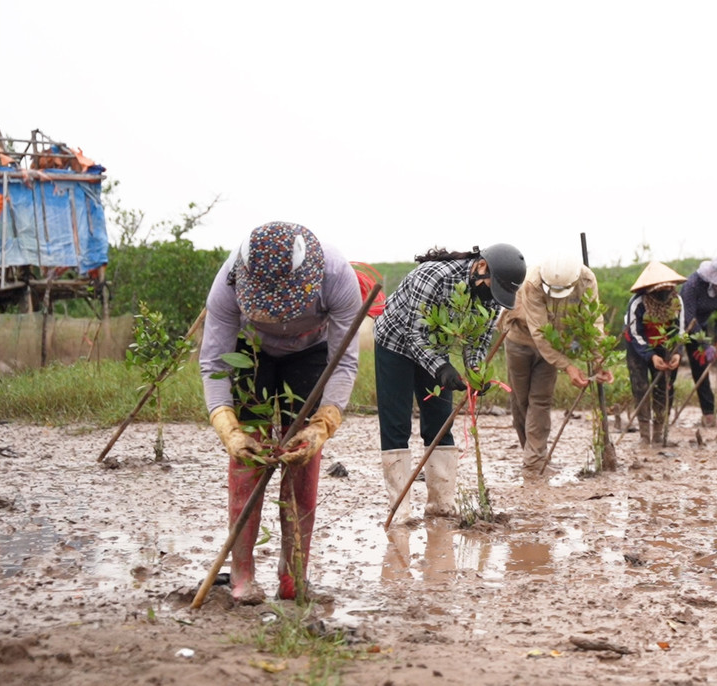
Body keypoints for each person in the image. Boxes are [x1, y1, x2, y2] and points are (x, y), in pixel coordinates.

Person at [200, 221, 362, 603]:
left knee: (302, 459)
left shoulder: (337, 276)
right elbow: (213, 365)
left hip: (311, 353)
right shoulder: (228, 283)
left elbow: (344, 362)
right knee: (247, 460)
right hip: (250, 351)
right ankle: (241, 575)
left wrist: (323, 424)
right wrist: (228, 427)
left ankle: (293, 577)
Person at [374, 244, 526, 522]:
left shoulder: (491, 296)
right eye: (493, 287)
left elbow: (479, 340)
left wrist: (475, 371)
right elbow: (415, 334)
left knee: (440, 422)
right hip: (395, 344)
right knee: (396, 424)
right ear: (481, 267)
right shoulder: (432, 276)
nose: (493, 297)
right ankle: (400, 512)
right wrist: (442, 369)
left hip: (437, 346)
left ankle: (441, 508)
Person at [499, 253, 616, 474]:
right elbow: (541, 334)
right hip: (520, 340)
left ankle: (534, 461)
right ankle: (531, 454)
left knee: (540, 401)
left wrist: (601, 359)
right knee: (520, 401)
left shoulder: (586, 280)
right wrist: (568, 366)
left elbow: (593, 322)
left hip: (556, 345)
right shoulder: (533, 282)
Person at [622, 260, 688, 445]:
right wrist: (650, 355)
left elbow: (680, 330)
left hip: (666, 345)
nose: (664, 292)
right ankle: (644, 435)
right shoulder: (637, 303)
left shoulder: (677, 301)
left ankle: (659, 433)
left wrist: (677, 353)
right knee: (641, 387)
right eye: (660, 289)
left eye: (668, 288)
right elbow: (635, 333)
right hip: (638, 346)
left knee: (664, 387)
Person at [679, 255, 717, 427]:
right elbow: (688, 317)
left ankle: (709, 415)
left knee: (701, 371)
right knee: (671, 370)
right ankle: (663, 417)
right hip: (681, 327)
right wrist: (705, 344)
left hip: (701, 328)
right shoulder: (693, 285)